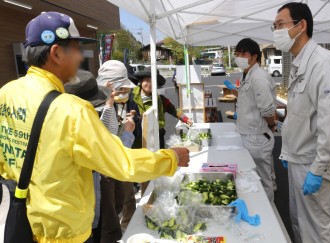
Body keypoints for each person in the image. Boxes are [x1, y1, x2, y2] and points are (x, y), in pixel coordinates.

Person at [0, 11, 189, 243]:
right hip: (64, 232)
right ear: (56, 53)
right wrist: (171, 158)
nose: (80, 58)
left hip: (21, 221)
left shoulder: (6, 93)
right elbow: (121, 164)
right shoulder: (72, 110)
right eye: (76, 50)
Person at [272, 3, 330, 243]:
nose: (276, 31)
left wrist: (318, 169)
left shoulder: (323, 63)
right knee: (299, 225)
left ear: (301, 25)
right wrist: (288, 151)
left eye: (280, 25)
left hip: (313, 164)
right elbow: (301, 115)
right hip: (298, 158)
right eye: (274, 26)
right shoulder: (299, 63)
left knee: (315, 231)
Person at [64, 69, 136, 242]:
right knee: (106, 227)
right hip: (97, 188)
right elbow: (109, 153)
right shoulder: (90, 118)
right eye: (119, 90)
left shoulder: (65, 117)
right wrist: (127, 133)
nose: (120, 94)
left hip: (84, 198)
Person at [225, 38, 276, 202]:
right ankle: (261, 208)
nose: (239, 57)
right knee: (252, 177)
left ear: (254, 56)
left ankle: (270, 213)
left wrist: (272, 124)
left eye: (243, 54)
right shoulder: (249, 73)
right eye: (237, 54)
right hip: (248, 135)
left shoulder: (258, 77)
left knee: (262, 179)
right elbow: (251, 99)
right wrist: (236, 92)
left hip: (257, 136)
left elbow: (267, 110)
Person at [96, 60, 139, 241]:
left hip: (113, 172)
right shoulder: (98, 109)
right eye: (121, 89)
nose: (125, 94)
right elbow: (112, 144)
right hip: (105, 174)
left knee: (119, 208)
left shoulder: (110, 104)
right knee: (109, 222)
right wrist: (128, 133)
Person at [133, 67, 193, 149]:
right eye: (147, 80)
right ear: (141, 81)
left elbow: (173, 109)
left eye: (153, 81)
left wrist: (185, 119)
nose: (150, 84)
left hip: (157, 136)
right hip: (137, 138)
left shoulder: (160, 99)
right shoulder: (131, 97)